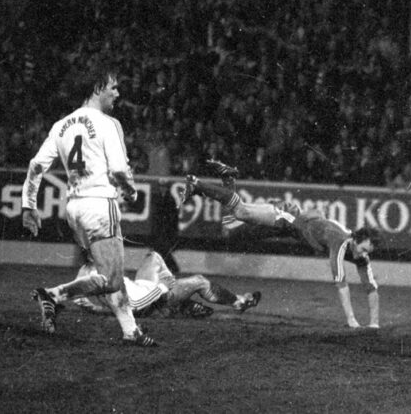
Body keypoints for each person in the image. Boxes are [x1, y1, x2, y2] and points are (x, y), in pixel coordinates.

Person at [21, 61, 155, 346]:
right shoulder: (108, 123)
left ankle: (131, 331)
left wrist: (28, 205)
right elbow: (119, 170)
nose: (118, 94)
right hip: (100, 204)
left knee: (107, 274)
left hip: (74, 208)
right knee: (113, 280)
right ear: (97, 88)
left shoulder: (61, 126)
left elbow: (35, 166)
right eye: (114, 87)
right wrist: (130, 191)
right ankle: (54, 295)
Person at [182, 160, 381, 329]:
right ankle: (197, 184)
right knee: (240, 213)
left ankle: (228, 178)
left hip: (289, 227)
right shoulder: (340, 243)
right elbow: (342, 284)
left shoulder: (358, 252)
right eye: (362, 249)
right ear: (355, 239)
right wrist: (352, 321)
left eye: (366, 252)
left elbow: (371, 288)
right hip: (287, 217)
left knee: (231, 231)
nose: (361, 255)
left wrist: (374, 325)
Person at [72, 251, 261, 318]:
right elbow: (136, 306)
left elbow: (78, 299)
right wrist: (162, 287)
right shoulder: (99, 276)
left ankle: (181, 303)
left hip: (141, 287)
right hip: (150, 300)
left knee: (153, 257)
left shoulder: (85, 272)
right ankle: (238, 302)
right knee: (200, 281)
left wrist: (97, 309)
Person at [149, 178, 181, 273]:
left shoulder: (170, 200)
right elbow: (154, 217)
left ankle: (173, 268)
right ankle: (169, 269)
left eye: (164, 187)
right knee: (161, 250)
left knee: (163, 250)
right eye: (161, 187)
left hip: (167, 230)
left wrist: (173, 231)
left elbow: (173, 218)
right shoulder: (157, 198)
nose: (162, 189)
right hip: (159, 230)